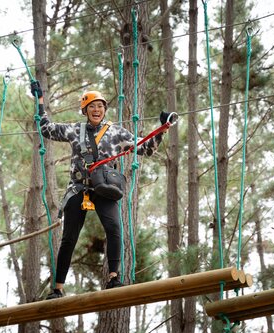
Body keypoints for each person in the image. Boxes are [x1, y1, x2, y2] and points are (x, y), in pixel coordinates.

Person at [30, 81, 173, 299]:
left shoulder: (116, 133)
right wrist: (39, 101)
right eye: (92, 107)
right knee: (69, 238)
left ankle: (114, 277)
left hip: (104, 188)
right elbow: (46, 129)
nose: (96, 110)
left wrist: (162, 128)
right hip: (78, 188)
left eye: (100, 106)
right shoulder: (74, 130)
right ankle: (57, 288)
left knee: (115, 228)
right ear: (85, 110)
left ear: (105, 110)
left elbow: (145, 149)